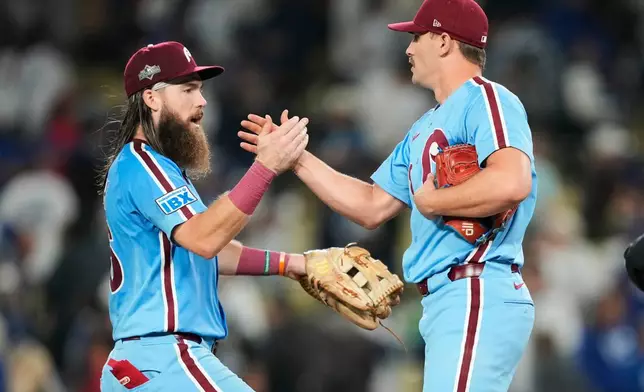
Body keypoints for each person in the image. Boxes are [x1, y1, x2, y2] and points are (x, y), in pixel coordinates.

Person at [239, 0, 537, 390]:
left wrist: (434, 202)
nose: (409, 49)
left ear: (444, 41)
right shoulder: (423, 128)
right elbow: (371, 205)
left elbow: (512, 182)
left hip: (477, 284)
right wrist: (296, 160)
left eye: (417, 37)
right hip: (446, 300)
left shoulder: (487, 100)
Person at [99, 41, 312, 391]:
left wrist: (293, 264)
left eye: (200, 89)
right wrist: (266, 166)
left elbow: (211, 248)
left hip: (144, 364)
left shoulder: (157, 168)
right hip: (163, 356)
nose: (202, 101)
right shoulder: (143, 164)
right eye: (188, 89)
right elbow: (205, 239)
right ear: (151, 98)